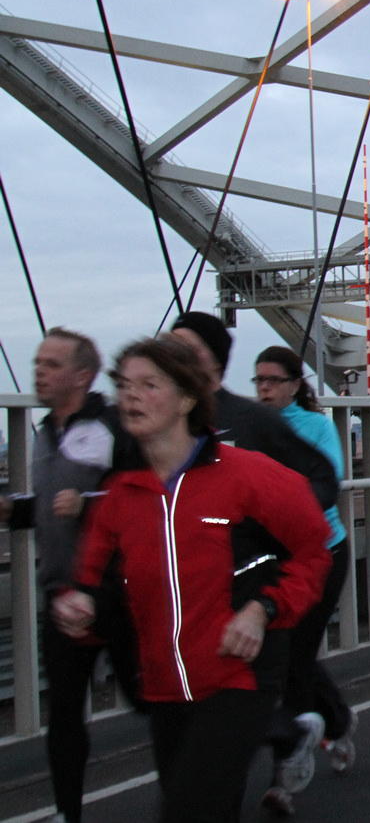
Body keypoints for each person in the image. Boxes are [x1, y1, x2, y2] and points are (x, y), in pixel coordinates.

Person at [54, 335, 332, 823]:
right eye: (124, 385)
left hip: (240, 674)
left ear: (186, 399)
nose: (131, 396)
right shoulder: (118, 498)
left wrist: (262, 609)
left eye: (149, 385)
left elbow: (313, 553)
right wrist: (81, 609)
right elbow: (96, 587)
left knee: (187, 810)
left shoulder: (247, 476)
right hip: (164, 689)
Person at [167, 313, 339, 804]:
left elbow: (321, 479)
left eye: (187, 349)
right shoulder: (160, 421)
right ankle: (288, 731)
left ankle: (287, 741)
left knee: (224, 730)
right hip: (181, 595)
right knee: (182, 727)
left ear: (213, 361)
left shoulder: (251, 422)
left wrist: (276, 531)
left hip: (246, 590)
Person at [0, 329, 139, 823]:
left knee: (150, 699)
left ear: (82, 376)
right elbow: (49, 506)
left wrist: (88, 504)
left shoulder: (113, 427)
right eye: (38, 362)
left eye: (51, 364)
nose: (38, 372)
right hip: (63, 593)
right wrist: (14, 510)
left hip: (117, 594)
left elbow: (144, 498)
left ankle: (261, 739)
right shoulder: (46, 433)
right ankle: (68, 813)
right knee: (64, 713)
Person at [252, 345, 358, 812]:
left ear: (295, 384)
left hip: (322, 552)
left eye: (273, 380)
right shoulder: (252, 427)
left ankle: (284, 778)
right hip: (274, 558)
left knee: (291, 654)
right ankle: (335, 721)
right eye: (258, 380)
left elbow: (327, 482)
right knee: (290, 655)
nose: (264, 389)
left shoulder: (315, 426)